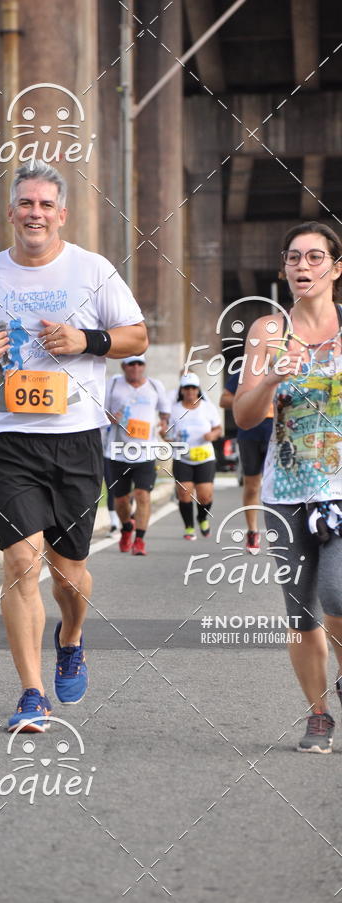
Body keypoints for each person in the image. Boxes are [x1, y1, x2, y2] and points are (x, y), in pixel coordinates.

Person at [0, 160, 147, 732]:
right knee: (19, 562)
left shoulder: (93, 270)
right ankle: (32, 693)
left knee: (69, 573)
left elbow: (137, 334)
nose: (35, 213)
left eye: (45, 205)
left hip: (76, 439)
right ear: (11, 212)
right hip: (9, 440)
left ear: (62, 214)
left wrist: (87, 339)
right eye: (25, 204)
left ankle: (72, 636)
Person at [234, 221, 342, 754]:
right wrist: (273, 376)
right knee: (300, 613)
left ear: (336, 269)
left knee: (338, 593)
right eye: (295, 258)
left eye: (316, 258)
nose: (304, 267)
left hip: (341, 487)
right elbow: (245, 413)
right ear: (284, 269)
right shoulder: (267, 333)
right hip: (285, 492)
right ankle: (318, 715)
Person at [105, 354, 170, 555]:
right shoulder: (114, 384)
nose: (135, 367)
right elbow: (100, 410)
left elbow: (165, 412)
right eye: (131, 364)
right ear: (123, 366)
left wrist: (164, 423)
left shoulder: (155, 386)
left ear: (144, 366)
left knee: (143, 495)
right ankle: (126, 528)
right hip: (117, 452)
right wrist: (110, 418)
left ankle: (140, 541)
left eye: (139, 363)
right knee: (121, 500)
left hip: (145, 452)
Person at [220, 370, 273, 554]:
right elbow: (223, 399)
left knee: (275, 485)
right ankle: (252, 531)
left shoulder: (287, 369)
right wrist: (248, 400)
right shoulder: (247, 372)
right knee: (252, 485)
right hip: (249, 431)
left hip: (277, 431)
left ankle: (282, 531)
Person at [166, 373, 222, 540]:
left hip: (204, 457)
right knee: (184, 493)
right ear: (181, 390)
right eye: (186, 388)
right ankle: (189, 526)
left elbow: (218, 429)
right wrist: (164, 434)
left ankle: (202, 518)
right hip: (183, 457)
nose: (190, 391)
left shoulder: (207, 407)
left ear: (198, 390)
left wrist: (212, 435)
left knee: (205, 495)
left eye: (193, 388)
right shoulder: (174, 409)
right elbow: (167, 433)